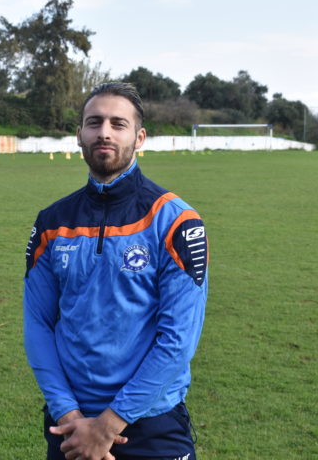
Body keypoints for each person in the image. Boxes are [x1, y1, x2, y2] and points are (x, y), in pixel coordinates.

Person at [23, 82, 208, 460]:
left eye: (117, 124)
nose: (104, 132)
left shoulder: (176, 221)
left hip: (151, 423)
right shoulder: (51, 222)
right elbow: (38, 323)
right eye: (94, 122)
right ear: (79, 135)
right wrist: (67, 411)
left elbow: (178, 339)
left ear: (139, 137)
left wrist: (109, 424)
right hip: (70, 423)